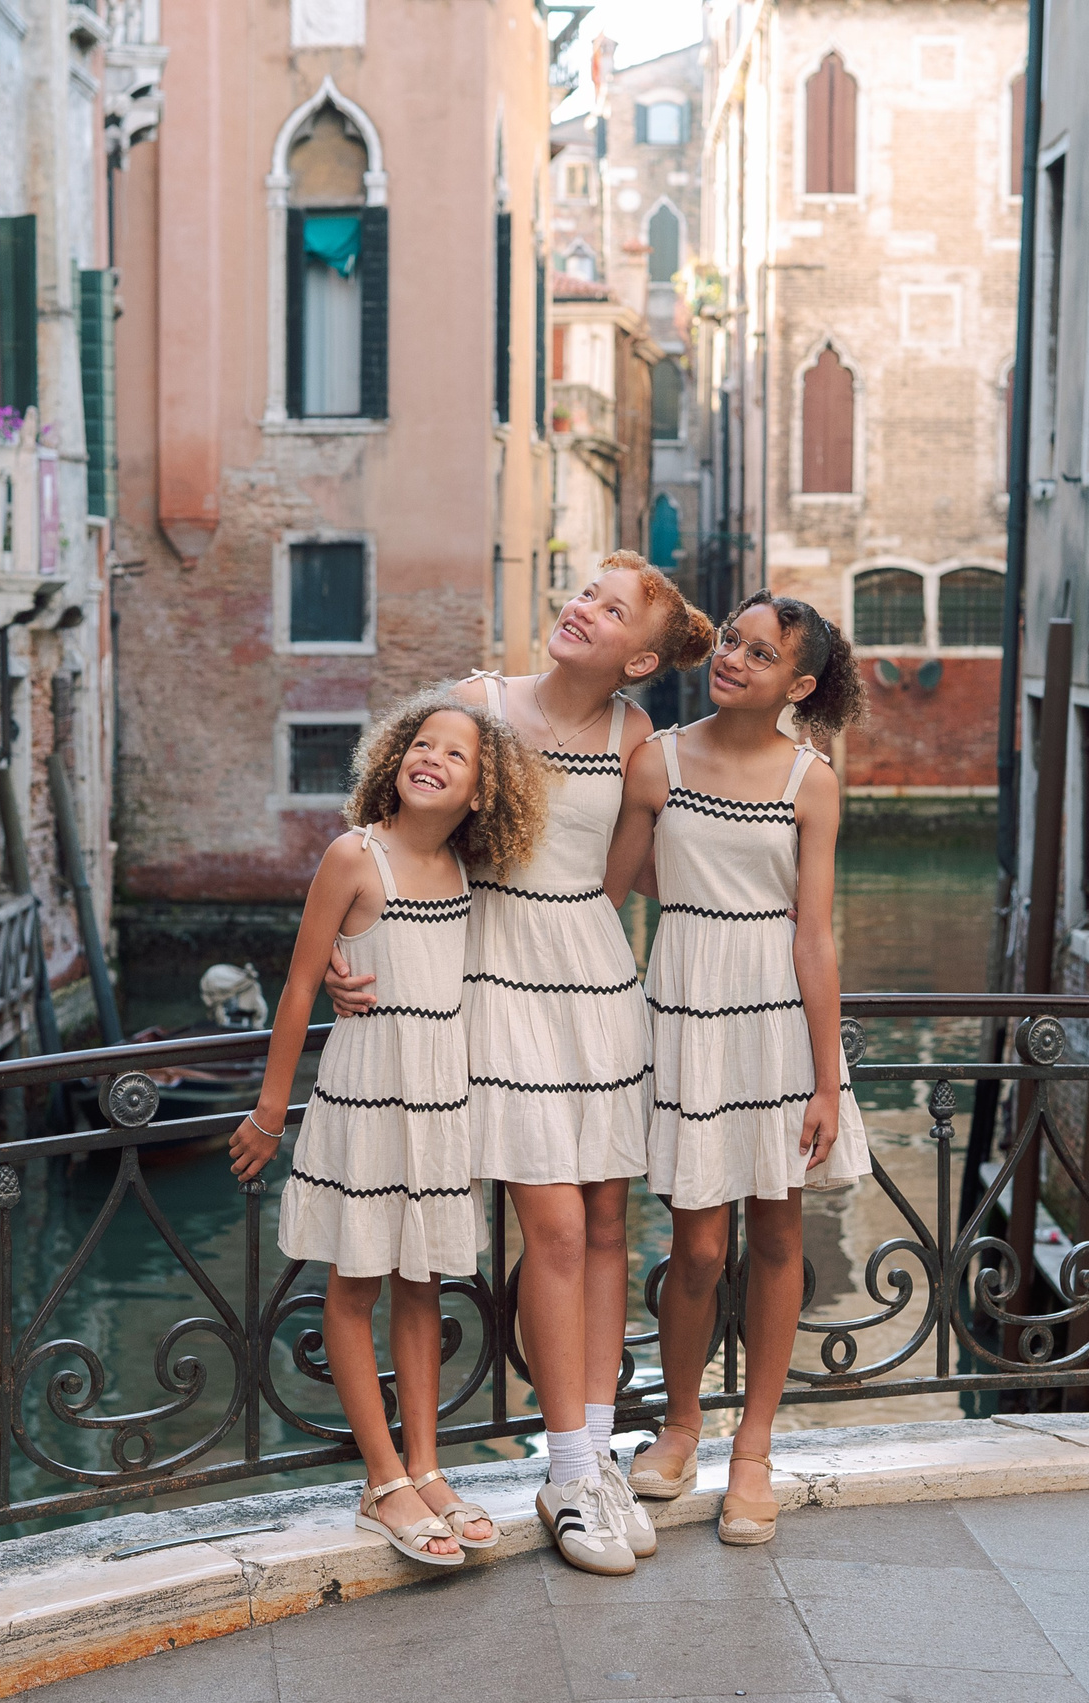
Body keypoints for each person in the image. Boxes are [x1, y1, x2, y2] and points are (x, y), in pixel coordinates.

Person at [327, 553, 713, 1576]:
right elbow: (388, 828)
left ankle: (586, 1464)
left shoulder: (637, 739)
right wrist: (346, 950)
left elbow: (622, 880)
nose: (580, 607)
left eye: (609, 606)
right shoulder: (476, 703)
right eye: (582, 590)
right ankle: (567, 1463)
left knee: (602, 1225)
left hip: (595, 978)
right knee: (546, 1224)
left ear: (638, 656)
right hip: (493, 981)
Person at [230, 686, 548, 1567]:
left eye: (457, 755)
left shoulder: (466, 875)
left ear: (482, 794)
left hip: (439, 1102)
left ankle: (427, 1466)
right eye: (422, 742)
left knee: (423, 1285)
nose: (432, 758)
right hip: (365, 1096)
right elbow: (300, 986)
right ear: (393, 757)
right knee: (355, 1281)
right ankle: (382, 1480)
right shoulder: (352, 856)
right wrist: (268, 1110)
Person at [604, 592, 871, 1546]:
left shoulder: (813, 780)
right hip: (686, 1006)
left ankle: (753, 1447)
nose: (735, 659)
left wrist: (827, 1079)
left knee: (779, 1234)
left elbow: (815, 932)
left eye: (761, 654)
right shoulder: (658, 759)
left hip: (778, 1022)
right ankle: (681, 1425)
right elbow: (613, 884)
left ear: (798, 684)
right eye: (731, 640)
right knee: (699, 1244)